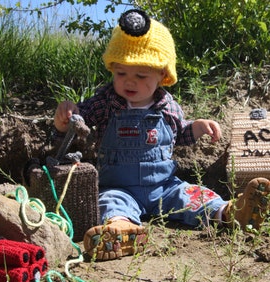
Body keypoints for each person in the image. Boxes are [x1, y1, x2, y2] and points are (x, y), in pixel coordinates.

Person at [54, 9, 270, 260]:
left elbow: (179, 137)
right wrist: (65, 119)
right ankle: (122, 231)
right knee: (108, 203)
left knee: (194, 194)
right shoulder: (105, 102)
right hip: (118, 187)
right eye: (121, 73)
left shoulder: (167, 105)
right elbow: (78, 124)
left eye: (141, 75)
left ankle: (233, 213)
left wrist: (197, 127)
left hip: (165, 186)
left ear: (162, 75)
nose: (129, 82)